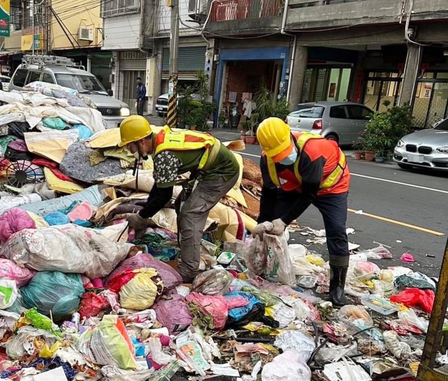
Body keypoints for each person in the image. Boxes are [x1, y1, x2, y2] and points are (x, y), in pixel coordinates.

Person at [119, 115, 241, 283]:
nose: (131, 152)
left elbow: (164, 195)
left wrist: (142, 216)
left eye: (131, 147)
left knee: (190, 214)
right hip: (210, 169)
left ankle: (189, 269)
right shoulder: (160, 142)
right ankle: (186, 250)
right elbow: (159, 186)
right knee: (181, 205)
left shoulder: (164, 155)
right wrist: (144, 213)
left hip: (223, 172)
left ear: (141, 141)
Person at [253, 117, 351, 306]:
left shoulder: (313, 152)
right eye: (276, 155)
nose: (281, 158)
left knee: (336, 230)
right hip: (297, 184)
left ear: (290, 136)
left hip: (332, 188)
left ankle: (337, 286)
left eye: (283, 152)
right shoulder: (268, 159)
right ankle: (269, 268)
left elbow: (309, 195)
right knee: (271, 222)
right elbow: (269, 192)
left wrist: (284, 221)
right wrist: (263, 220)